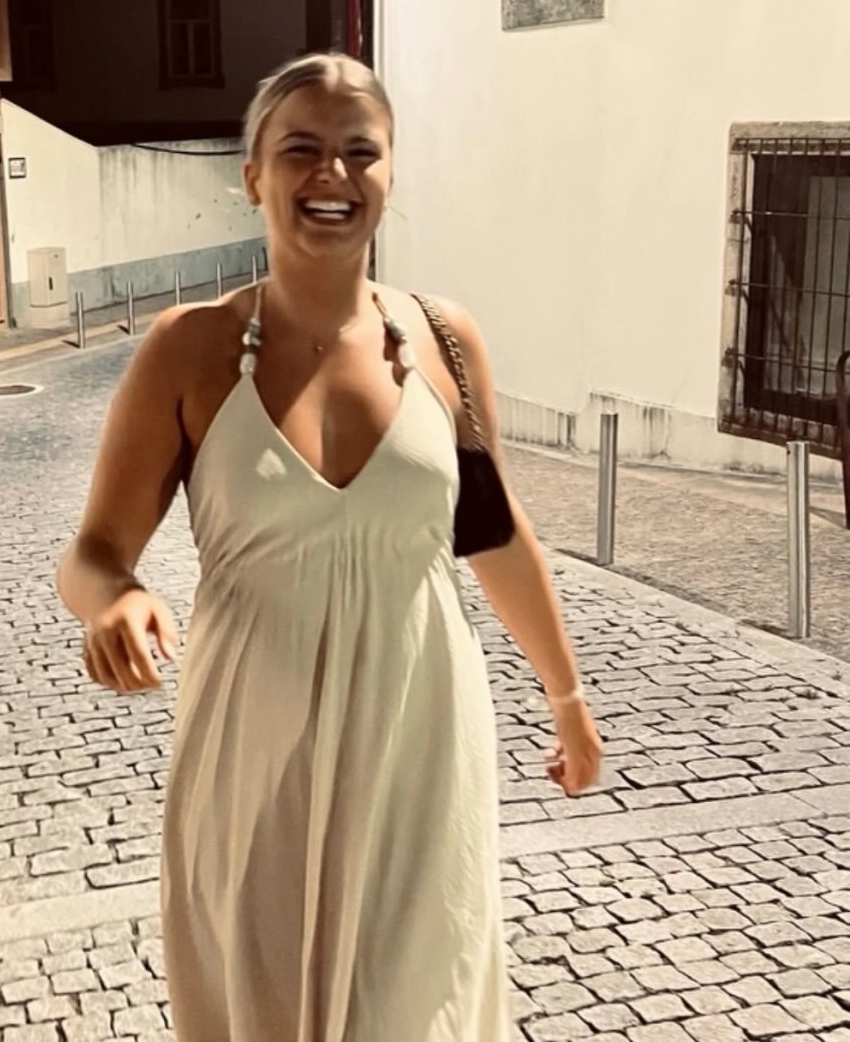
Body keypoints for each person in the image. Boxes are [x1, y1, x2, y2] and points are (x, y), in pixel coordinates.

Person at [57, 52, 603, 1042]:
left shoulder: (443, 338)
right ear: (252, 176)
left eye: (361, 151)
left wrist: (567, 700)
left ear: (391, 173)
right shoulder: (189, 348)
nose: (333, 174)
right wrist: (115, 600)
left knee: (419, 1002)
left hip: (420, 733)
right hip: (252, 746)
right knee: (266, 1003)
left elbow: (493, 531)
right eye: (301, 149)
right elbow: (94, 549)